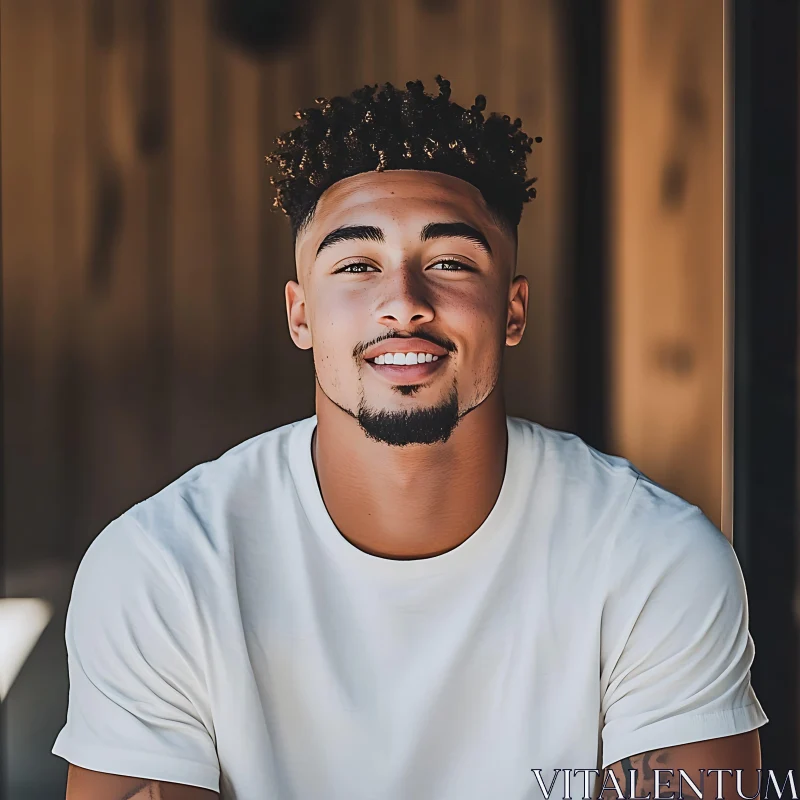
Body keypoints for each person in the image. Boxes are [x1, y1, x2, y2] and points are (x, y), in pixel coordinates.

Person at [53, 77, 767, 800]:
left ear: (513, 311)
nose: (403, 302)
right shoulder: (162, 569)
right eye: (357, 266)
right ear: (300, 315)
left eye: (450, 263)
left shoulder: (654, 561)